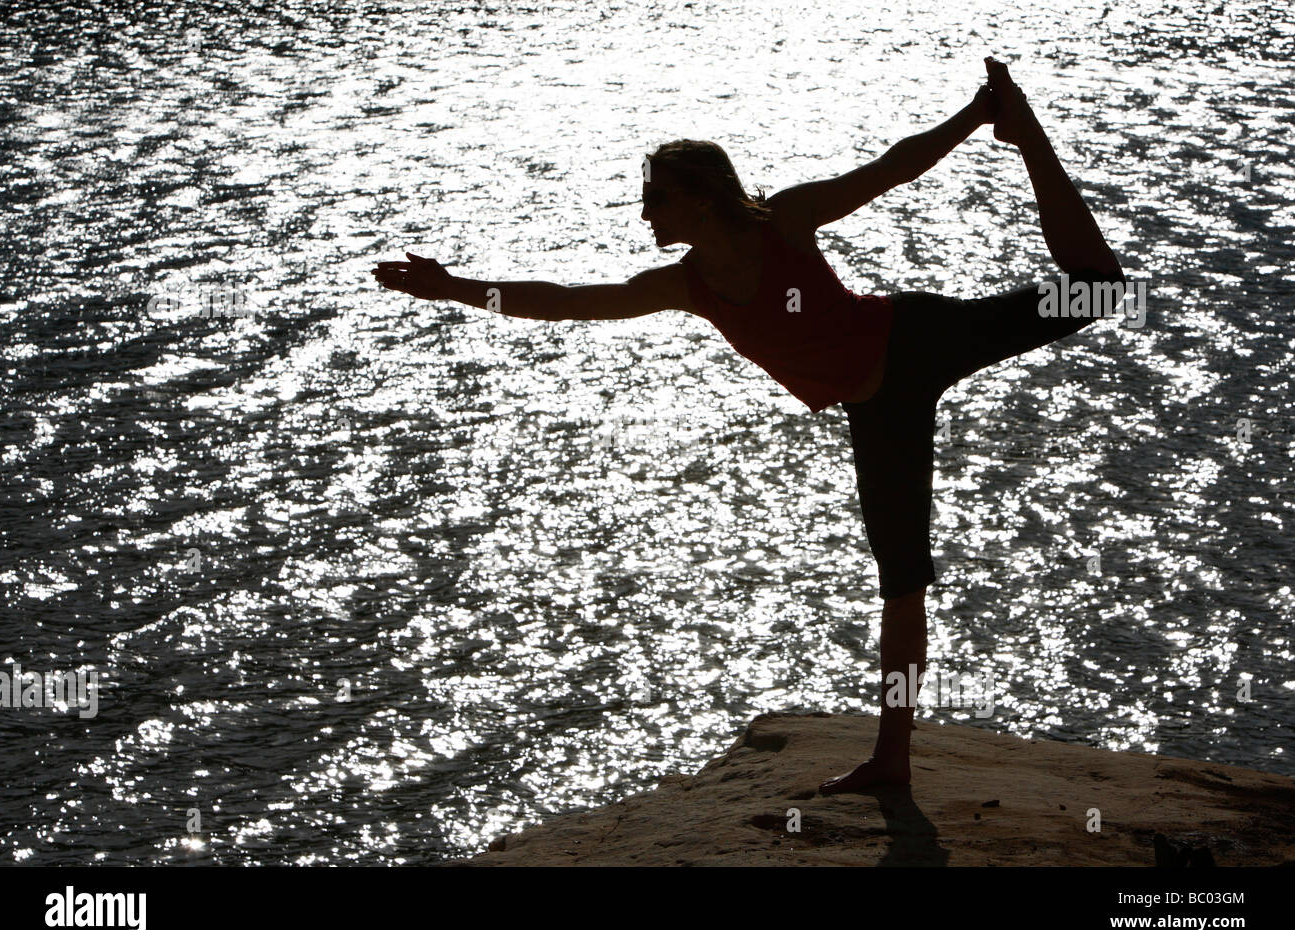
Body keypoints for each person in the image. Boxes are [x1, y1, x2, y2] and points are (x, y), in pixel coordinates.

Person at [372, 56, 1125, 794]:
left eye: (655, 196)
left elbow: (895, 167)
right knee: (901, 580)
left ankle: (1026, 135)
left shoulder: (787, 222)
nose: (644, 212)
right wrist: (456, 291)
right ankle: (891, 758)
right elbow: (567, 301)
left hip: (916, 338)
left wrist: (977, 115)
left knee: (1096, 292)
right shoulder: (686, 285)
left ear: (700, 200)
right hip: (877, 409)